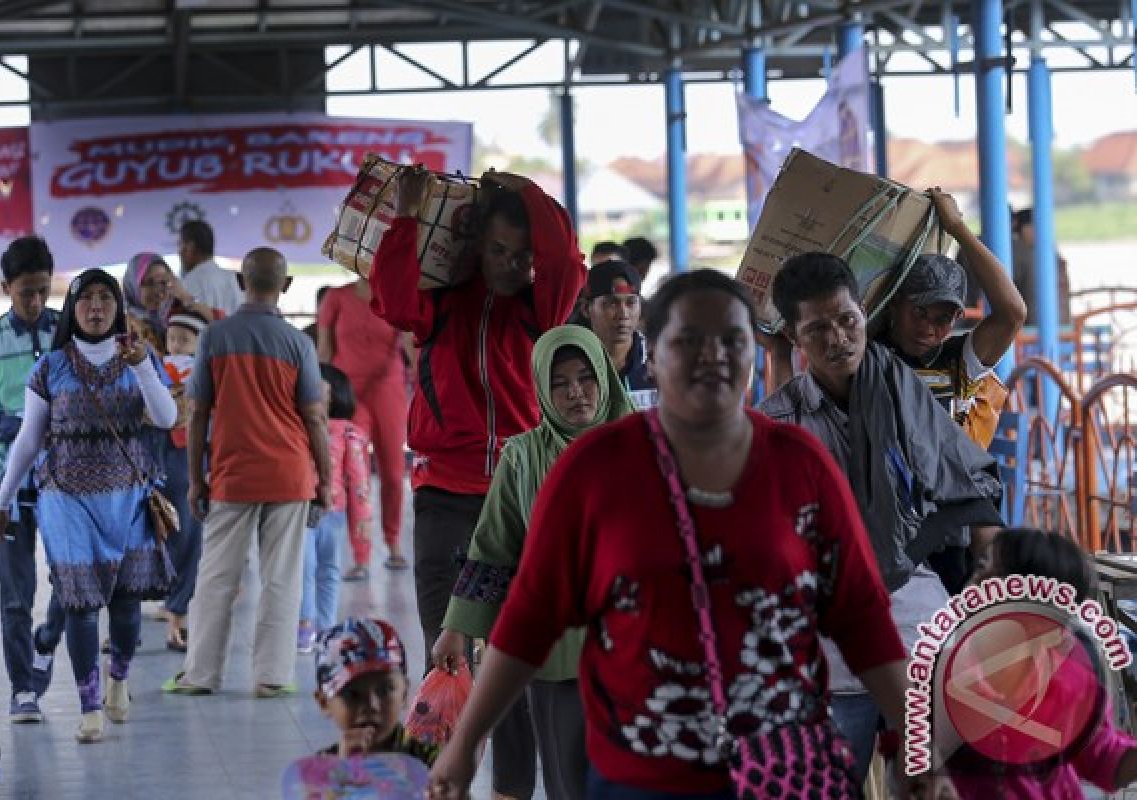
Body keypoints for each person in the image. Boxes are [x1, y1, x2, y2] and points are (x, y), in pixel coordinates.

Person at [427, 270, 948, 799]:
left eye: (731, 340)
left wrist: (917, 738)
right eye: (688, 342)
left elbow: (860, 614)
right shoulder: (592, 469)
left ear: (753, 352)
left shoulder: (799, 463)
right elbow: (531, 617)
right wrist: (466, 743)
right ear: (651, 359)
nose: (712, 356)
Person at [758, 251, 1004, 783]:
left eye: (847, 320)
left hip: (916, 618)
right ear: (796, 340)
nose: (838, 339)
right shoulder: (778, 427)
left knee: (941, 778)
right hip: (830, 644)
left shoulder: (900, 387)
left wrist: (992, 562)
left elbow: (968, 480)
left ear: (865, 316)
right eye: (817, 329)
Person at [370, 168, 584, 665]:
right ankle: (447, 744)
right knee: (445, 652)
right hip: (443, 495)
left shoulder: (539, 310)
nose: (510, 265)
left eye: (523, 257)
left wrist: (528, 192)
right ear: (477, 247)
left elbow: (569, 263)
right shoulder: (440, 307)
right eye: (498, 251)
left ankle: (510, 743)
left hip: (516, 493)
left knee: (516, 654)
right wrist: (406, 216)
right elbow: (393, 300)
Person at [432, 325, 632, 800]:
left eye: (585, 377)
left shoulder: (645, 445)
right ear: (541, 387)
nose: (575, 392)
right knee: (569, 779)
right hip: (558, 651)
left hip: (637, 643)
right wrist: (458, 625)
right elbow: (495, 548)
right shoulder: (522, 457)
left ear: (604, 376)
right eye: (559, 383)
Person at [0, 269, 177, 743]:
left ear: (118, 308)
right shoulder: (49, 368)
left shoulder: (142, 357)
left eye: (104, 298)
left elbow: (167, 417)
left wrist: (138, 367)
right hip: (66, 500)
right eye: (86, 298)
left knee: (127, 601)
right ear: (72, 310)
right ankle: (89, 704)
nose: (96, 306)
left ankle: (118, 680)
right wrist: (4, 499)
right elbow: (29, 441)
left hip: (128, 499)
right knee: (79, 603)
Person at [163, 247, 330, 697]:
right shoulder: (300, 344)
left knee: (216, 576)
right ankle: (272, 676)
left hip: (232, 475)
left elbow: (196, 412)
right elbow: (314, 417)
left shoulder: (216, 336)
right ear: (286, 285)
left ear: (241, 283)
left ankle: (201, 674)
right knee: (282, 577)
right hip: (290, 474)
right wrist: (326, 481)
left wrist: (197, 478)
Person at [879, 190, 1026, 593]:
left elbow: (1012, 312)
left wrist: (958, 228)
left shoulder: (958, 360)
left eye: (943, 317)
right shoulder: (869, 357)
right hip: (889, 517)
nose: (929, 326)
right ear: (893, 307)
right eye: (919, 312)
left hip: (950, 520)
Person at [0, 235, 66, 722]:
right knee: (15, 594)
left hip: (70, 481)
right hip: (10, 486)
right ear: (7, 288)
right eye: (27, 292)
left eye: (43, 290)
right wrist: (16, 427)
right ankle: (25, 688)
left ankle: (48, 638)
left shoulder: (70, 333)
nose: (36, 301)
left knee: (75, 583)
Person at [943, 528, 1137, 798]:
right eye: (980, 569)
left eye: (998, 581)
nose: (975, 587)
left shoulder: (1074, 683)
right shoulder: (940, 676)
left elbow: (1102, 757)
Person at [122, 252, 215, 653]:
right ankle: (125, 619)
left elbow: (225, 327)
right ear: (133, 286)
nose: (160, 291)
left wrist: (188, 299)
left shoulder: (187, 320)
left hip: (184, 438)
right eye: (151, 284)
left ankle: (178, 614)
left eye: (166, 282)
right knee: (133, 526)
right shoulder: (121, 324)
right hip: (138, 437)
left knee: (187, 524)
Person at [317, 275, 408, 571]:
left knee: (394, 474)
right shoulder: (336, 297)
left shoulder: (397, 294)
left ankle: (393, 543)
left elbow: (412, 344)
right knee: (356, 477)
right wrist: (320, 401)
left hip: (389, 391)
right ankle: (361, 557)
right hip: (349, 397)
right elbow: (324, 354)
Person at [298, 365, 373, 653]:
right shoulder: (297, 426)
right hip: (302, 509)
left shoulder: (347, 433)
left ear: (335, 396)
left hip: (334, 513)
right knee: (305, 568)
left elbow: (359, 481)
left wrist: (362, 529)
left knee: (328, 569)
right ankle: (306, 625)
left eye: (323, 390)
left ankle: (326, 628)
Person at [302, 617, 440, 766]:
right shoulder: (321, 769)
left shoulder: (434, 760)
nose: (371, 705)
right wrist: (344, 775)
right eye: (352, 695)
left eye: (385, 690)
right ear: (324, 702)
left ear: (404, 693)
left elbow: (453, 787)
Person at [158, 305, 209, 651]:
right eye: (172, 338)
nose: (176, 345)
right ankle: (171, 605)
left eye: (184, 339)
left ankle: (178, 610)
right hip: (162, 456)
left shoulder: (205, 372)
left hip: (190, 458)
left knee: (189, 532)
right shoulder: (157, 369)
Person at [580, 260, 656, 409]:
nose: (623, 314)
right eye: (611, 303)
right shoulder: (570, 362)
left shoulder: (659, 359)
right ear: (586, 309)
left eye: (631, 303)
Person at [1011, 208, 1071, 326]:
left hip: (1034, 327)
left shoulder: (1025, 253)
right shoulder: (1052, 253)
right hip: (1063, 324)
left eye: (1017, 232)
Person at [177, 219, 243, 316]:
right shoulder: (234, 279)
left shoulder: (188, 284)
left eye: (180, 244)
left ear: (190, 247)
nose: (179, 252)